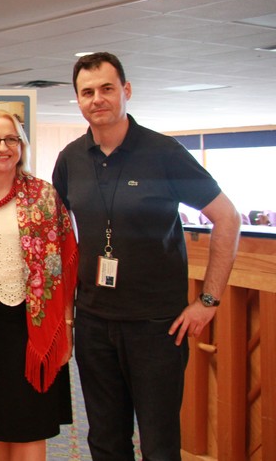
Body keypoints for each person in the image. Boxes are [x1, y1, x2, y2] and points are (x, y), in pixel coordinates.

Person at [52, 52, 241, 461]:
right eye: (87, 92)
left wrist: (208, 300)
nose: (97, 99)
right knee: (105, 440)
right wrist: (65, 316)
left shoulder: (164, 152)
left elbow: (227, 217)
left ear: (127, 91)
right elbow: (59, 238)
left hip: (156, 326)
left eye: (107, 88)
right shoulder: (70, 159)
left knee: (158, 444)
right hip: (94, 322)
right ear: (78, 100)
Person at [0, 110, 77, 461]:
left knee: (29, 424)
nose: (3, 147)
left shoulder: (44, 195)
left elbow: (64, 263)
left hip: (32, 325)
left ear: (21, 146)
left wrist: (66, 326)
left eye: (11, 139)